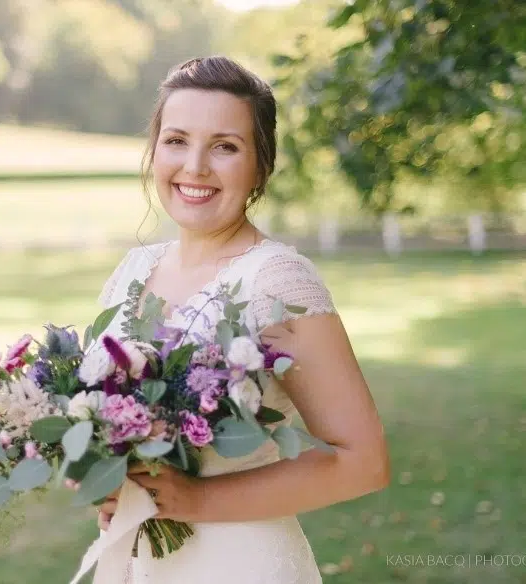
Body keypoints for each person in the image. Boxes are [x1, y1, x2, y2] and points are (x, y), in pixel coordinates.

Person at [84, 56, 389, 584]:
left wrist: (192, 499)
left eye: (225, 146)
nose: (195, 167)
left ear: (260, 166)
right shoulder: (133, 271)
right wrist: (104, 477)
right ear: (154, 150)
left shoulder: (277, 281)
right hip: (138, 561)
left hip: (242, 563)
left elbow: (364, 462)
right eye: (176, 140)